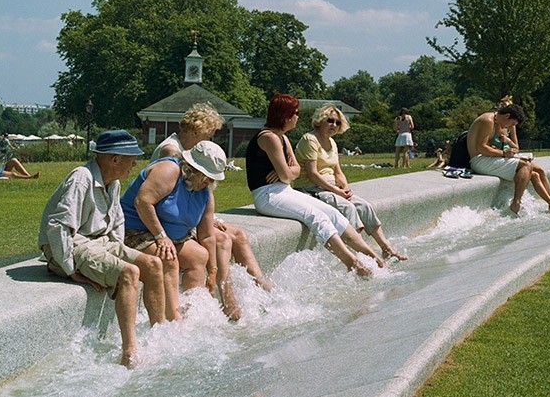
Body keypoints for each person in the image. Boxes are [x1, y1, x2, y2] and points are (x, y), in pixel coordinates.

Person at [38, 130, 173, 367]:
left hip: (99, 241)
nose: (135, 164)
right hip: (73, 241)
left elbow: (117, 223)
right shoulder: (82, 178)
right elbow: (58, 226)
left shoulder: (114, 182)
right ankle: (129, 351)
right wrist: (68, 268)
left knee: (153, 264)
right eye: (132, 158)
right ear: (115, 159)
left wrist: (117, 252)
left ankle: (160, 335)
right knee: (129, 273)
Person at [246, 94, 386, 276]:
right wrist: (287, 171)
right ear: (285, 115)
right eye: (295, 113)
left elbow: (293, 171)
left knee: (333, 214)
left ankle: (376, 259)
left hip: (283, 190)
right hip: (267, 196)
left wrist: (287, 171)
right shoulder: (269, 137)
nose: (297, 117)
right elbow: (288, 175)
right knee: (315, 215)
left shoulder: (283, 138)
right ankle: (352, 263)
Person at [152, 103, 271, 291]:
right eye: (208, 135)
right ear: (195, 132)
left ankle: (262, 286)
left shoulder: (186, 149)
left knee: (239, 235)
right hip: (170, 218)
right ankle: (226, 295)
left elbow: (196, 192)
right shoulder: (172, 151)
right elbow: (176, 197)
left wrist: (209, 217)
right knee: (223, 239)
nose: (209, 140)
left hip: (186, 211)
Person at [122, 140, 240, 321]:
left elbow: (207, 235)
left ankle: (192, 315)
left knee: (200, 256)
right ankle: (173, 319)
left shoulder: (205, 193)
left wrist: (213, 270)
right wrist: (160, 236)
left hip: (168, 236)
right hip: (135, 229)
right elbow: (142, 201)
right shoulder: (169, 170)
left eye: (211, 178)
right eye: (205, 176)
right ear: (191, 168)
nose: (207, 181)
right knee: (169, 258)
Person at [295, 104, 407, 261]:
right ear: (320, 121)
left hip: (331, 188)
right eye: (330, 121)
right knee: (348, 208)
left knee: (364, 206)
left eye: (338, 122)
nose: (334, 125)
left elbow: (338, 172)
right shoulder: (310, 140)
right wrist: (337, 191)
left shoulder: (332, 143)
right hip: (311, 189)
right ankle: (362, 257)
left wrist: (346, 187)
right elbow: (313, 174)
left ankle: (386, 248)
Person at [466, 102, 550, 215]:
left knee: (537, 172)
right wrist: (504, 153)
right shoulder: (488, 120)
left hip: (488, 158)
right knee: (526, 165)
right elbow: (480, 147)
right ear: (507, 116)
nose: (510, 127)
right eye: (512, 124)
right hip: (479, 161)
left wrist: (507, 151)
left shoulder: (496, 121)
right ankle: (516, 204)